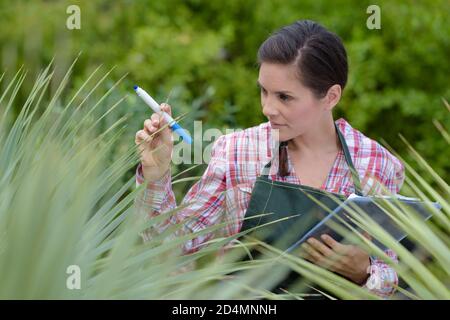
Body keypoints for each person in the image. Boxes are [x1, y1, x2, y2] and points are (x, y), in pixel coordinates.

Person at [134, 20, 404, 298]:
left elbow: (389, 277)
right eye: (264, 91)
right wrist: (155, 175)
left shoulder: (376, 163)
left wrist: (364, 271)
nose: (267, 108)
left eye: (284, 97)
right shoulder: (236, 151)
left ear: (331, 96)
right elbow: (172, 247)